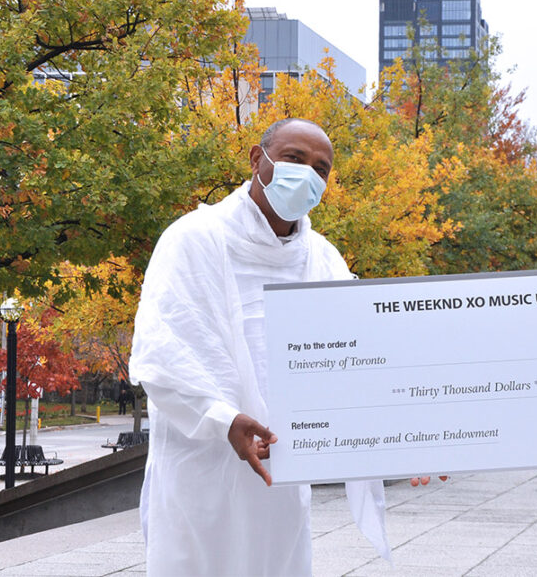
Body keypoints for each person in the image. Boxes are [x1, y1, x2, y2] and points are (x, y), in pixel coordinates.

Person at [129, 118, 389, 577]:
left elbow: (361, 362)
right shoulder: (192, 239)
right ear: (257, 158)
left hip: (280, 476)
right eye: (294, 159)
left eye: (321, 169)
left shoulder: (324, 259)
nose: (307, 175)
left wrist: (421, 441)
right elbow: (164, 351)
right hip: (201, 469)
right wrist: (224, 420)